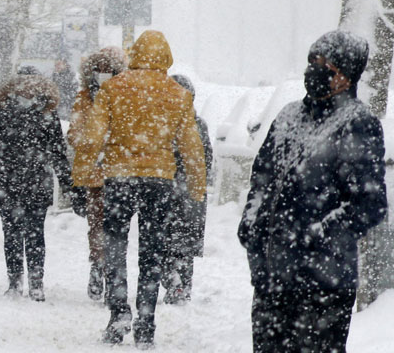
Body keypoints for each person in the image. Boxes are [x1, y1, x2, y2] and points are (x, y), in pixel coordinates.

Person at [238, 30, 387, 353]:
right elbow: (262, 180)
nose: (314, 70)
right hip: (273, 277)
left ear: (346, 75)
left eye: (326, 65)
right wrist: (252, 226)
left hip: (323, 284)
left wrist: (315, 236)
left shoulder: (357, 123)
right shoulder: (289, 116)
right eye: (311, 61)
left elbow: (369, 203)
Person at [77, 30, 206, 348]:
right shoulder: (178, 94)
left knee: (115, 249)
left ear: (135, 55)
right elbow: (191, 146)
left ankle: (119, 311)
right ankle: (146, 322)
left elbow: (93, 137)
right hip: (159, 183)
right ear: (165, 58)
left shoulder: (112, 89)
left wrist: (82, 173)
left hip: (119, 179)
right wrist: (197, 186)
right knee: (151, 254)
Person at [0, 72, 86, 302]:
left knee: (29, 234)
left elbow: (57, 152)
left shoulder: (31, 111)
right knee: (17, 234)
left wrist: (69, 184)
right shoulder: (34, 111)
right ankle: (19, 281)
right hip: (21, 182)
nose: (27, 90)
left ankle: (30, 283)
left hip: (26, 183)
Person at [67, 47, 128, 303]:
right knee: (97, 225)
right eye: (99, 72)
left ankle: (110, 270)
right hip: (96, 174)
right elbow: (74, 132)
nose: (104, 77)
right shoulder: (84, 98)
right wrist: (89, 140)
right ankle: (98, 265)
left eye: (108, 71)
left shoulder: (125, 96)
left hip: (117, 173)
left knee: (114, 228)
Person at [159, 74, 214, 305]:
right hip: (191, 194)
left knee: (161, 242)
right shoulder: (198, 123)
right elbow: (207, 160)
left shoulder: (160, 123)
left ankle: (171, 278)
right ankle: (182, 285)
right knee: (185, 246)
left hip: (166, 190)